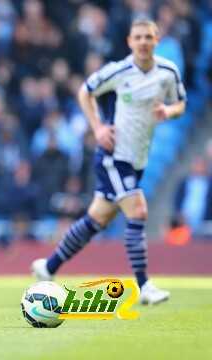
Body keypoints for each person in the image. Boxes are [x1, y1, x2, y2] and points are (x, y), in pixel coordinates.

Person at [31, 19, 186, 305]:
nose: (143, 42)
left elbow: (180, 102)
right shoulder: (118, 71)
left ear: (157, 40)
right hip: (114, 155)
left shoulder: (167, 72)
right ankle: (144, 286)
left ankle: (48, 266)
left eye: (148, 37)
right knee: (137, 211)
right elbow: (84, 91)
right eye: (137, 37)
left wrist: (169, 111)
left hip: (138, 157)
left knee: (98, 217)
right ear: (129, 41)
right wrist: (99, 127)